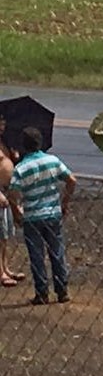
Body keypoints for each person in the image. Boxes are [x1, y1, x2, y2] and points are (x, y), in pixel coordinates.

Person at [7, 127, 76, 305]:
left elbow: (13, 196)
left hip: (32, 216)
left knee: (36, 255)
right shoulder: (52, 161)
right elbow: (71, 180)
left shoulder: (21, 168)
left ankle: (42, 292)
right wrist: (64, 202)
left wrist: (17, 213)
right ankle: (62, 290)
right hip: (52, 212)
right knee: (57, 252)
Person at [0, 115, 25, 288]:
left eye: (3, 122)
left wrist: (15, 157)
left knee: (6, 235)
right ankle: (0, 273)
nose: (3, 125)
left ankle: (5, 268)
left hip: (7, 192)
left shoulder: (5, 142)